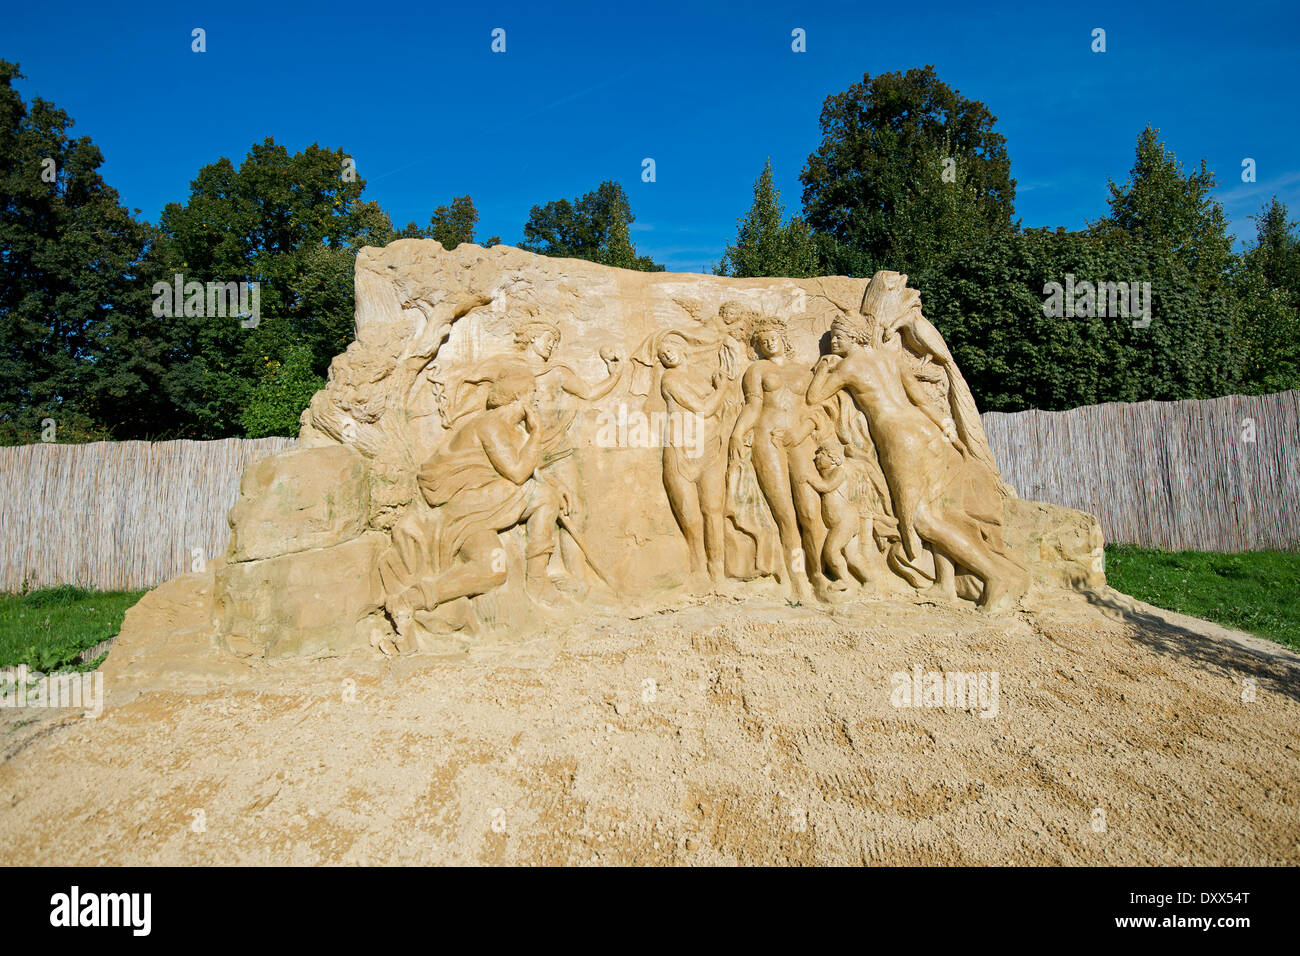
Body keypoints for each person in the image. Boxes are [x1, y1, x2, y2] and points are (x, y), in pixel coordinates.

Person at [806, 273, 1027, 611]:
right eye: (833, 338)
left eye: (839, 337)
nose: (835, 343)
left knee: (921, 520)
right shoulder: (890, 360)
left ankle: (994, 575)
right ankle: (944, 584)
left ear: (855, 336)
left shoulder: (849, 367)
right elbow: (922, 399)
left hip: (900, 439)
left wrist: (825, 366)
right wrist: (946, 425)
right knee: (939, 511)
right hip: (925, 430)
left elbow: (815, 395)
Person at [378, 368, 566, 644]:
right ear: (518, 397)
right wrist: (537, 434)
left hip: (481, 515)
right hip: (466, 510)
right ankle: (537, 580)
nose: (537, 400)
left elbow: (528, 468)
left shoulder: (511, 431)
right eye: (532, 394)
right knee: (543, 497)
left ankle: (409, 600)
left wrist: (554, 484)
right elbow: (516, 472)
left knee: (492, 570)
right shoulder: (491, 425)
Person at [727, 316, 829, 600]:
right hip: (768, 439)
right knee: (785, 515)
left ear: (783, 338)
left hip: (799, 440)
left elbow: (816, 410)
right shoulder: (757, 369)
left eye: (772, 336)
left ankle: (818, 574)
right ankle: (798, 579)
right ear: (757, 347)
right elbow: (753, 405)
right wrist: (737, 433)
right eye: (762, 340)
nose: (769, 342)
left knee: (810, 512)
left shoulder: (804, 372)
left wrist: (800, 433)